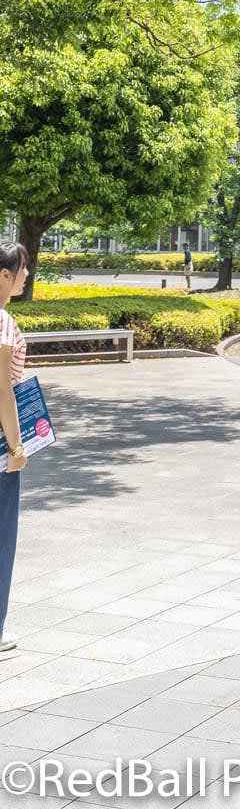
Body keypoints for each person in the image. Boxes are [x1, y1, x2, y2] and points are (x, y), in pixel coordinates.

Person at [0, 240, 28, 657]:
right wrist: (16, 444)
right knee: (3, 534)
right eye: (22, 269)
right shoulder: (2, 322)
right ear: (3, 275)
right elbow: (1, 388)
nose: (26, 275)